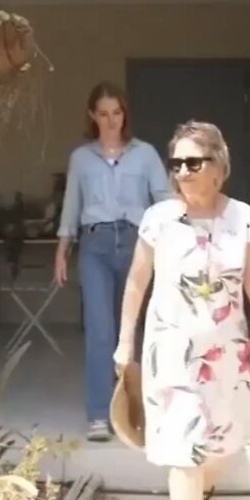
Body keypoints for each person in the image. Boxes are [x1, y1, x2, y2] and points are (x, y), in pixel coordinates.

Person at [113, 120, 250, 500]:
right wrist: (125, 342)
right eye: (177, 164)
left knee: (221, 447)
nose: (183, 171)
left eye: (193, 162)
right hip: (170, 352)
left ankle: (202, 492)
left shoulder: (242, 219)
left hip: (228, 356)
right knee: (183, 446)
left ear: (218, 167)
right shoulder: (158, 219)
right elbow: (136, 283)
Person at [56, 82, 173, 442]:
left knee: (139, 330)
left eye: (117, 113)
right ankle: (98, 415)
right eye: (103, 113)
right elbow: (71, 207)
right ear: (93, 115)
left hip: (139, 244)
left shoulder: (145, 154)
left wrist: (172, 245)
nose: (111, 121)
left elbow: (165, 199)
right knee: (100, 330)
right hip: (95, 245)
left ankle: (142, 411)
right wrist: (61, 251)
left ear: (125, 115)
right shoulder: (81, 158)